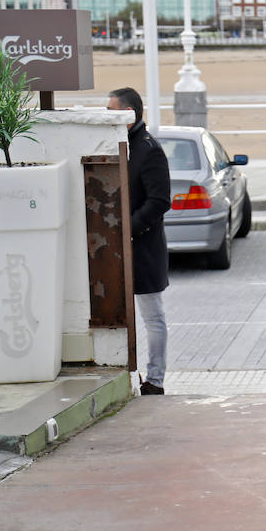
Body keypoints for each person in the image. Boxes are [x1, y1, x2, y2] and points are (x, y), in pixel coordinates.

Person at [106, 87, 171, 396]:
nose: (108, 116)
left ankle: (155, 379)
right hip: (119, 248)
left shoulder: (149, 149)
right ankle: (126, 373)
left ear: (129, 115)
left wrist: (128, 230)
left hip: (143, 250)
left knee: (152, 316)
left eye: (113, 110)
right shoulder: (120, 146)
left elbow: (160, 201)